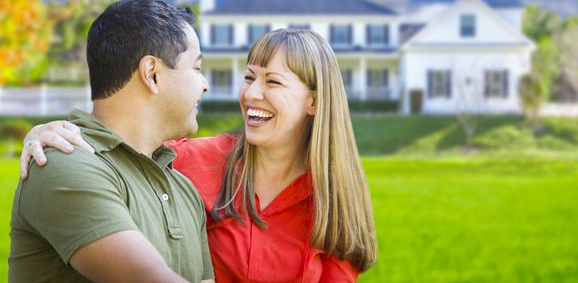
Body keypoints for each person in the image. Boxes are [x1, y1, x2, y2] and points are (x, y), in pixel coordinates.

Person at [20, 29, 378, 282]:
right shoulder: (191, 161)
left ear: (313, 101)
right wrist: (54, 131)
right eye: (249, 77)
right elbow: (123, 147)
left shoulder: (333, 205)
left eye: (273, 82)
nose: (252, 94)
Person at [10, 0, 215, 282]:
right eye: (195, 68)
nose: (204, 84)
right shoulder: (61, 162)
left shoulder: (183, 190)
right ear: (152, 74)